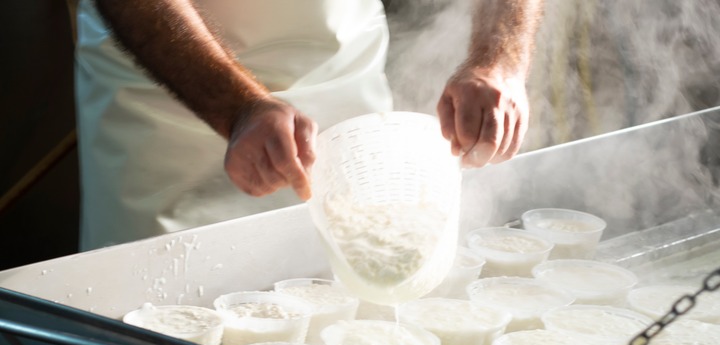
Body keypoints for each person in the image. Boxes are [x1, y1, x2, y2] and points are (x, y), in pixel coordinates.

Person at [76, 0, 544, 251]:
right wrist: (235, 109)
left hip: (341, 66)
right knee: (159, 328)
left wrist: (499, 59)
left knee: (351, 284)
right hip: (171, 104)